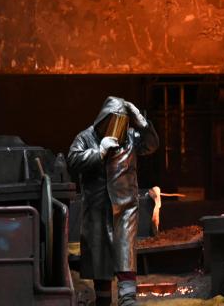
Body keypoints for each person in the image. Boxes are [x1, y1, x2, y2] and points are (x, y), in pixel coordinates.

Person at [68, 97, 159, 306]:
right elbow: (73, 160)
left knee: (125, 251)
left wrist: (143, 123)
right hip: (97, 207)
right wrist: (98, 152)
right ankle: (103, 299)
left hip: (125, 206)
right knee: (99, 256)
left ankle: (127, 298)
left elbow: (151, 145)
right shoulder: (86, 137)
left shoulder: (130, 137)